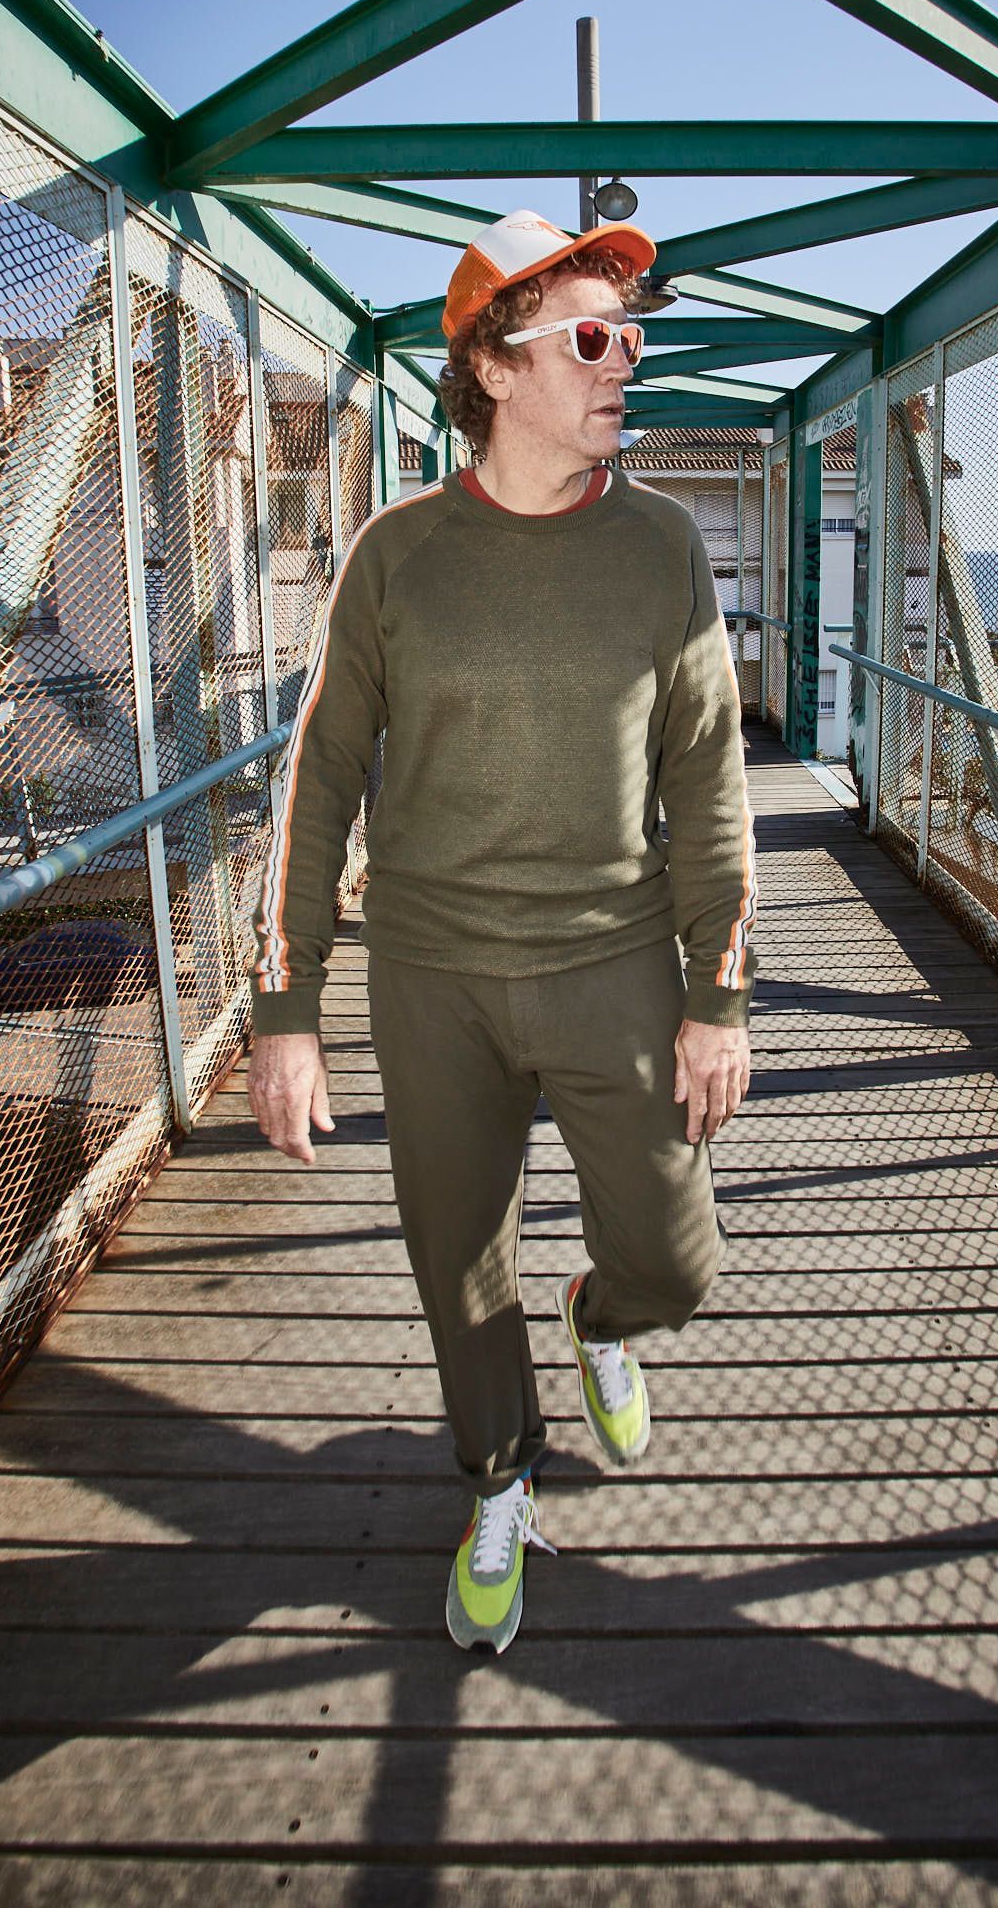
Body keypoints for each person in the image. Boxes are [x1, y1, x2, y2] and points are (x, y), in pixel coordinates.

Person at [246, 208, 756, 1653]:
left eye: (631, 339)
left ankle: (601, 1318)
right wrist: (287, 1011)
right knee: (457, 1262)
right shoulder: (396, 554)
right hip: (433, 979)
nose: (624, 364)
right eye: (593, 339)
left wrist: (719, 994)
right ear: (494, 364)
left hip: (613, 962)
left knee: (680, 1264)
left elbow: (710, 777)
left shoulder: (663, 549)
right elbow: (320, 776)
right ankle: (498, 1480)